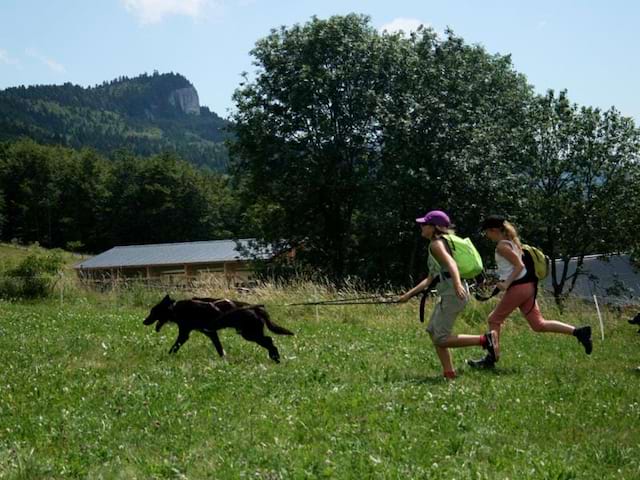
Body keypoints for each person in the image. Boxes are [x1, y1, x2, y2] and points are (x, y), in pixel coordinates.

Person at [468, 215, 593, 369]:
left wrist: (506, 283)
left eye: (486, 232)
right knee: (538, 324)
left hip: (518, 288)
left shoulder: (502, 246)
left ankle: (491, 357)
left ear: (493, 230)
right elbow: (513, 268)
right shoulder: (513, 243)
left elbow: (519, 266)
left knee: (494, 319)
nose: (486, 236)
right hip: (529, 287)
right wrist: (499, 281)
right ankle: (579, 332)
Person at [399, 210, 498, 379]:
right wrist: (408, 295)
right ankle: (449, 373)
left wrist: (457, 284)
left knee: (441, 339)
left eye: (424, 224)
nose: (421, 227)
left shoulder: (436, 244)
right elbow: (430, 278)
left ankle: (484, 340)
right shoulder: (438, 244)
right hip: (449, 294)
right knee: (433, 331)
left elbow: (451, 263)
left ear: (435, 227)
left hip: (454, 294)